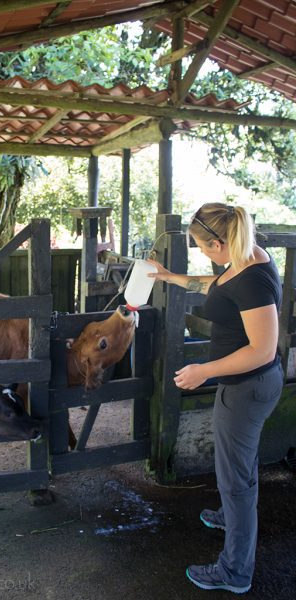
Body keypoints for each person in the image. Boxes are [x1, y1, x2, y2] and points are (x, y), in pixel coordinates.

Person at [147, 202, 284, 595]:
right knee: (239, 467)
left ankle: (235, 571)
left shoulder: (253, 279)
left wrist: (204, 370)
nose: (205, 255)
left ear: (221, 241)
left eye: (205, 248)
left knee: (235, 481)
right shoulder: (243, 259)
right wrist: (170, 277)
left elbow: (262, 348)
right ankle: (231, 516)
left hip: (247, 387)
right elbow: (217, 286)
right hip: (245, 385)